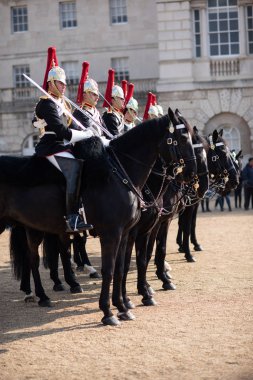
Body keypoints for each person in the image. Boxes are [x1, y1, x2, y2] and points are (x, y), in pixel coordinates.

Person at [33, 47, 95, 233]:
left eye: (64, 83)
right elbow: (62, 131)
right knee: (74, 169)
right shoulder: (46, 103)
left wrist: (86, 130)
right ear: (51, 83)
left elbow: (72, 128)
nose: (64, 86)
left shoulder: (63, 103)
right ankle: (72, 218)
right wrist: (87, 134)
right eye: (60, 83)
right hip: (51, 145)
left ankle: (82, 207)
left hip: (62, 146)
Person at [102, 68, 125, 136]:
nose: (123, 101)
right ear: (113, 100)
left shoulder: (119, 115)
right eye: (121, 98)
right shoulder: (109, 116)